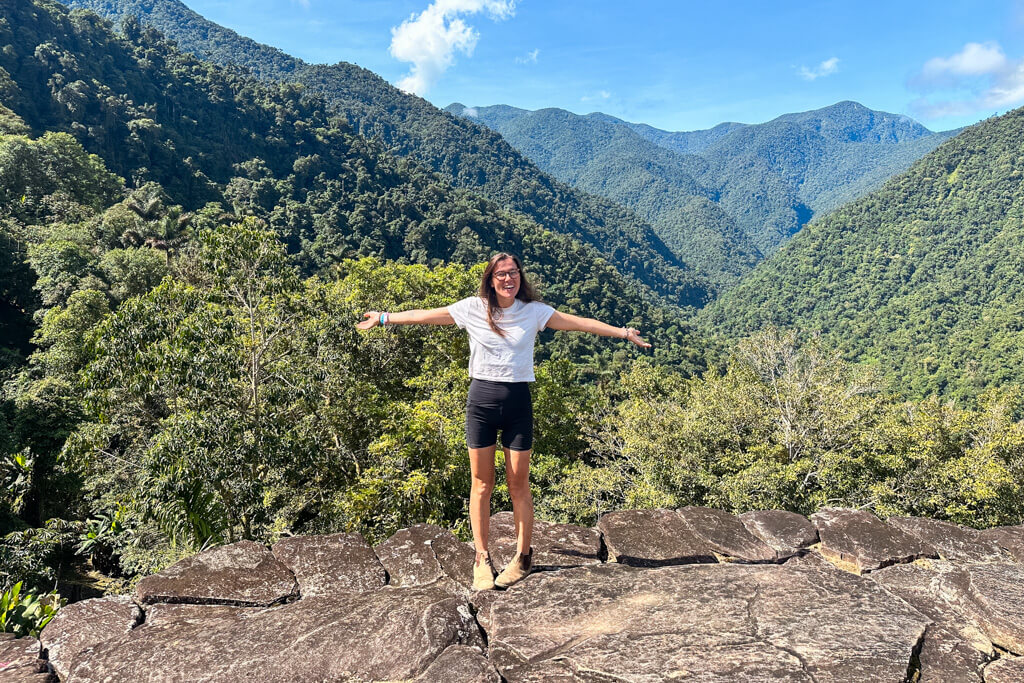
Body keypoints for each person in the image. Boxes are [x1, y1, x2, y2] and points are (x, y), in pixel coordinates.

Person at [357, 253, 650, 590]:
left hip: (517, 405)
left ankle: (523, 556)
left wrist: (624, 333)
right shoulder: (473, 308)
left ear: (520, 277)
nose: (509, 279)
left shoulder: (534, 312)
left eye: (513, 273)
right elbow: (426, 315)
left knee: (518, 485)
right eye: (501, 274)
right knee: (481, 484)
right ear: (491, 279)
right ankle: (481, 557)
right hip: (481, 403)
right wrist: (383, 318)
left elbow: (579, 322)